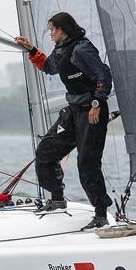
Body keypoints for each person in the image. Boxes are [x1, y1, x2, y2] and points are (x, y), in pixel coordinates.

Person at [15, 12, 114, 230]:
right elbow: (50, 67)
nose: (49, 33)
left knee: (87, 165)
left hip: (92, 111)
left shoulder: (81, 49)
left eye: (52, 29)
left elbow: (104, 76)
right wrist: (31, 49)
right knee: (45, 152)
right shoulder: (61, 50)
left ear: (62, 30)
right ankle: (57, 198)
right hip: (73, 112)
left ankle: (100, 214)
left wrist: (97, 104)